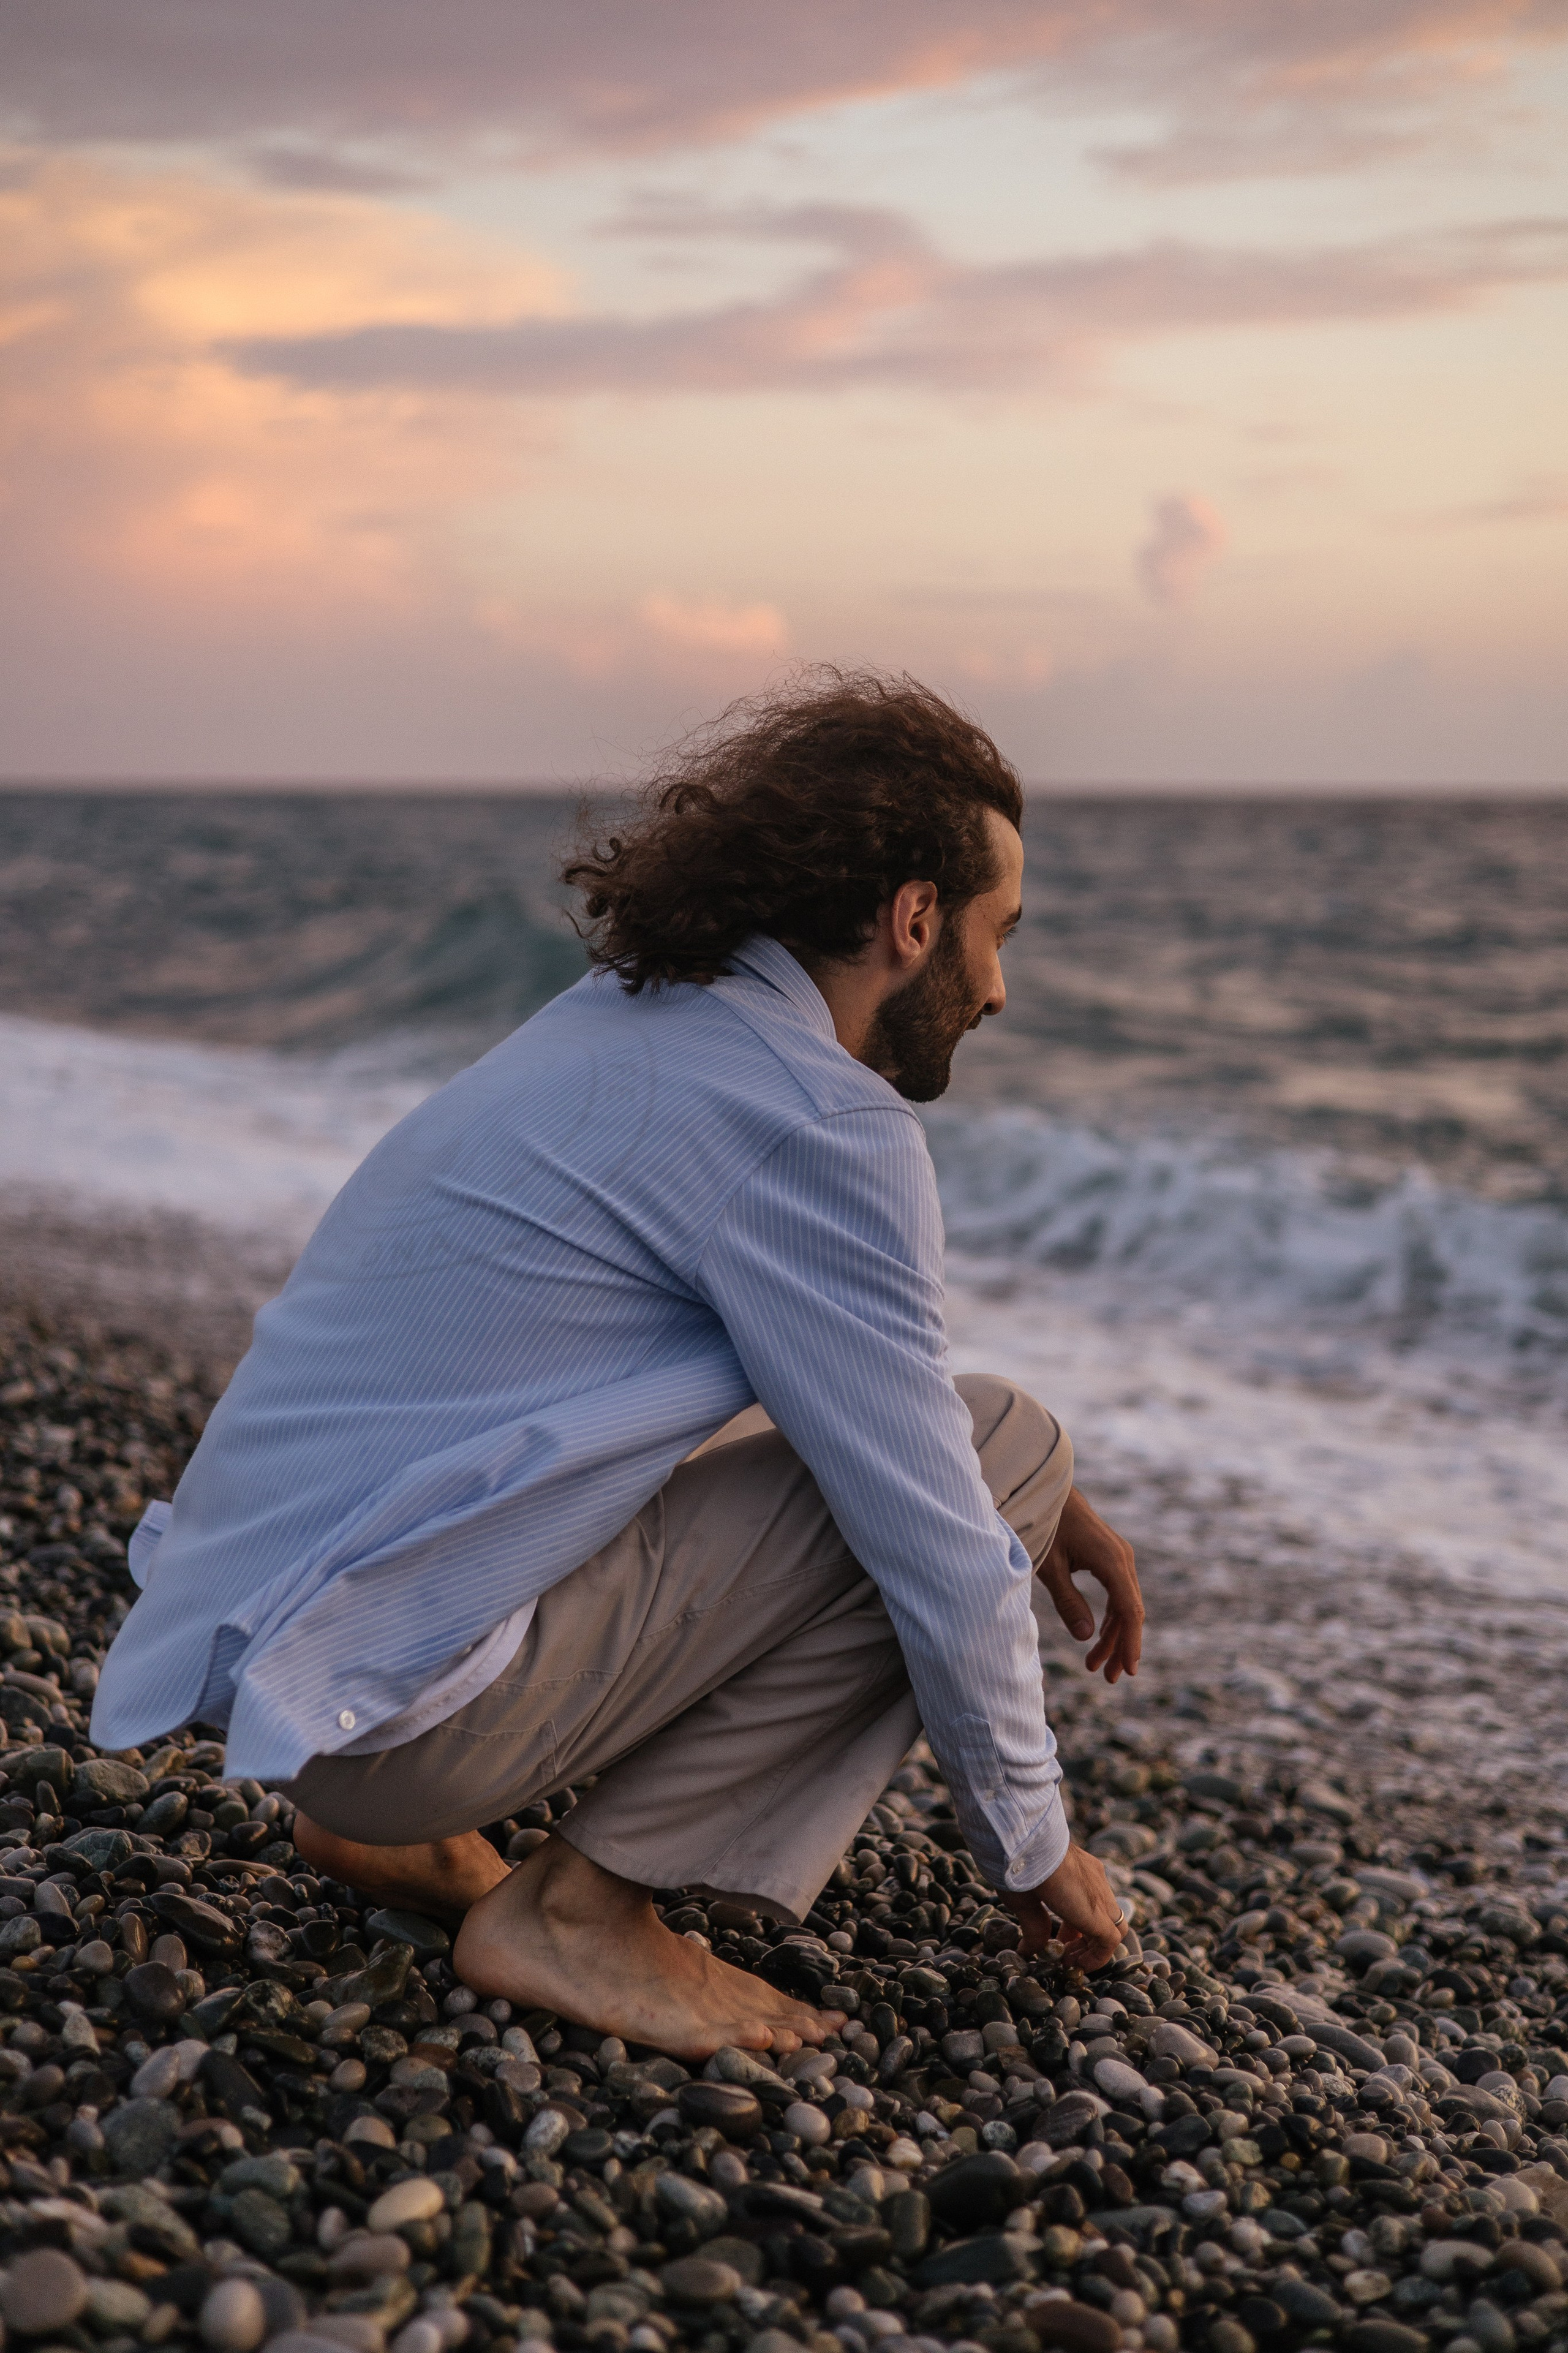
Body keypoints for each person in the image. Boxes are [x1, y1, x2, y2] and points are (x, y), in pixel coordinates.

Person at [93, 670, 1144, 2059]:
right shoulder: (817, 1119)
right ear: (910, 919)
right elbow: (939, 1542)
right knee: (1001, 1437)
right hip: (395, 1714)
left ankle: (388, 1831)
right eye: (996, 934)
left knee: (972, 1448)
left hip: (282, 1655)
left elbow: (722, 1376)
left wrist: (1011, 1487)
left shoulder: (609, 1024)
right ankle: (584, 1915)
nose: (999, 986)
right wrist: (1033, 1846)